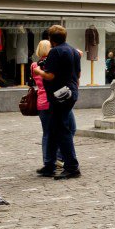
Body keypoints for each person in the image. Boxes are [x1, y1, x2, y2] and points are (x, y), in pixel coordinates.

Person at [35, 24, 81, 180]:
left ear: (51, 39)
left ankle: (72, 167)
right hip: (71, 93)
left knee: (62, 131)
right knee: (54, 129)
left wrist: (38, 71)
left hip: (59, 96)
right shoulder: (74, 51)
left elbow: (50, 76)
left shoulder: (56, 51)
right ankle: (50, 165)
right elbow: (78, 74)